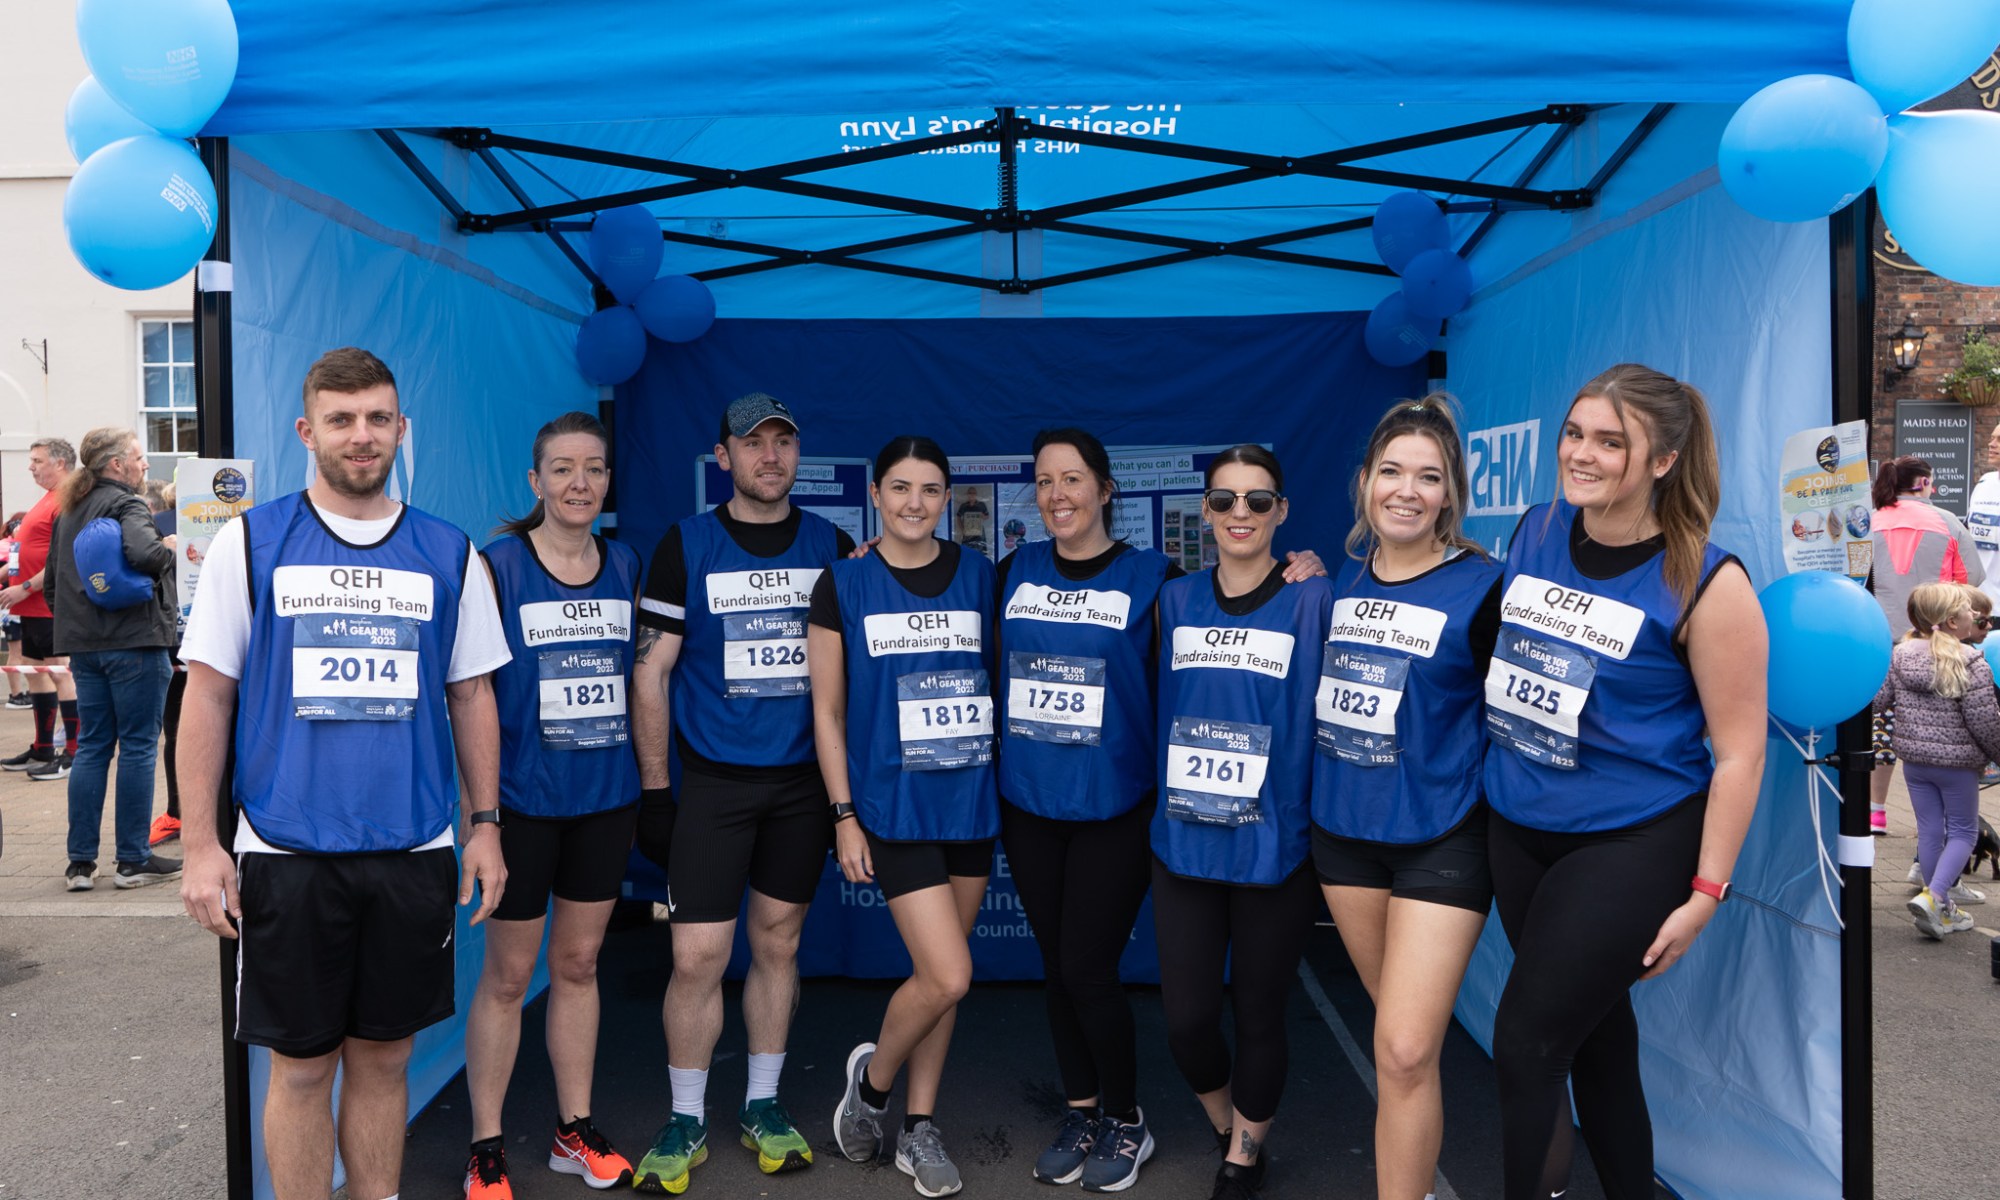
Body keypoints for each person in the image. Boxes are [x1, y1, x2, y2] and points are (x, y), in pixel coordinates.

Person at [176, 347, 511, 1200]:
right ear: (307, 430)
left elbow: (471, 695)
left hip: (412, 849)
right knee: (299, 1069)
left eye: (377, 419)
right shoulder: (252, 542)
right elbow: (208, 697)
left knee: (386, 1058)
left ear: (401, 428)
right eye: (341, 419)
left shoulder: (449, 551)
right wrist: (201, 845)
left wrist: (484, 826)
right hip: (287, 852)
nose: (361, 437)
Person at [1481, 364, 1765, 1200]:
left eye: (1612, 441)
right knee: (1597, 1039)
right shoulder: (1534, 531)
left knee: (1527, 1045)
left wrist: (1706, 892)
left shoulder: (1708, 583)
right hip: (1519, 826)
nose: (1583, 454)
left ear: (1663, 460)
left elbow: (1742, 754)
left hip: (1631, 842)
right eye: (1576, 433)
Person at [629, 392, 854, 1195]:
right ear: (722, 456)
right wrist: (657, 794)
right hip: (715, 784)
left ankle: (763, 1104)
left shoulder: (835, 546)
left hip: (801, 785)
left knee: (780, 945)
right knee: (695, 957)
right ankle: (686, 1115)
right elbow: (649, 673)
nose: (770, 456)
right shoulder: (685, 545)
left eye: (783, 442)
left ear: (798, 455)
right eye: (752, 443)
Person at [1309, 396, 1502, 1200]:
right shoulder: (1332, 586)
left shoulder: (1486, 587)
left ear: (1450, 494)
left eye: (1428, 477)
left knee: (1405, 1050)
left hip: (1443, 836)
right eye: (1391, 472)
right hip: (1346, 835)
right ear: (1364, 485)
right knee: (1397, 1041)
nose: (1406, 490)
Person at [463, 412, 643, 1198]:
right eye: (563, 470)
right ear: (535, 482)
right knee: (508, 978)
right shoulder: (496, 566)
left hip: (604, 801)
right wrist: (485, 820)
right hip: (524, 806)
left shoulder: (626, 561)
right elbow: (467, 694)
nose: (580, 484)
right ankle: (487, 1146)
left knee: (577, 964)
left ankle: (574, 1130)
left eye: (594, 469)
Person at [817, 436, 997, 1199]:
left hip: (969, 803)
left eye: (930, 489)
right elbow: (826, 712)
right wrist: (844, 815)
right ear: (877, 496)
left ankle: (919, 1129)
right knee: (951, 972)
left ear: (947, 498)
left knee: (942, 981)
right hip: (893, 808)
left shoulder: (984, 576)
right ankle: (874, 1088)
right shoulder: (844, 582)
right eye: (900, 488)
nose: (915, 503)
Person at [1152, 444, 1331, 1200]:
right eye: (1224, 500)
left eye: (1259, 501)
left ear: (1281, 512)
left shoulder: (1312, 597)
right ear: (1206, 512)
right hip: (1185, 845)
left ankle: (1244, 1157)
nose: (1240, 515)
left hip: (1273, 849)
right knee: (1189, 1022)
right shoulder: (1174, 600)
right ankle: (1230, 1125)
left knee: (1260, 1013)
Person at [43, 427, 181, 891]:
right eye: (139, 458)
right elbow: (144, 553)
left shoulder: (69, 510)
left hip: (85, 648)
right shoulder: (127, 504)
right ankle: (133, 860)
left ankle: (80, 864)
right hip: (136, 642)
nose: (145, 466)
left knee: (94, 746)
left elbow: (50, 587)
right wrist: (170, 551)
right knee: (139, 746)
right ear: (117, 465)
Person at [1877, 582, 2000, 940]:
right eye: (1967, 610)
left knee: (1931, 830)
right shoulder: (1971, 662)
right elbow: (1986, 721)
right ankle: (1934, 897)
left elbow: (1880, 700)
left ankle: (1940, 909)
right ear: (1949, 621)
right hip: (1958, 765)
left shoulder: (1900, 655)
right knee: (1961, 832)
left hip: (1915, 763)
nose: (1974, 615)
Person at [1868, 455, 1983, 835]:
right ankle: (1938, 822)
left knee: (1880, 723)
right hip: (1932, 640)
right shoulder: (1946, 522)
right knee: (1936, 729)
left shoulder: (1869, 519)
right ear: (1923, 483)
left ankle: (1875, 810)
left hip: (1877, 636)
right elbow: (1972, 580)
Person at [0, 438, 81, 779]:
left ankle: (74, 753)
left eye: (37, 460)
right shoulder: (46, 499)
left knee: (60, 671)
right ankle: (43, 746)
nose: (30, 466)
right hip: (30, 604)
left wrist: (25, 586)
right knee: (36, 670)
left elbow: (63, 558)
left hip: (49, 603)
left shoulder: (68, 500)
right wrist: (7, 575)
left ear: (60, 463)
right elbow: (29, 549)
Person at [143, 481, 186, 847]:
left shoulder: (156, 524)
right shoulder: (236, 525)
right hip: (210, 637)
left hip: (173, 640)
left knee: (174, 732)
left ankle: (176, 812)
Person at [1964, 422, 2000, 607]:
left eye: (1999, 440)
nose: (1991, 444)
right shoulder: (1985, 482)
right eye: (1992, 438)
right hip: (1976, 601)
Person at [3, 511, 27, 709]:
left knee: (19, 650)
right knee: (17, 650)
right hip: (12, 605)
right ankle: (16, 695)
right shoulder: (13, 548)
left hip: (10, 606)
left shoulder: (8, 545)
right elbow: (8, 571)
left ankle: (19, 694)